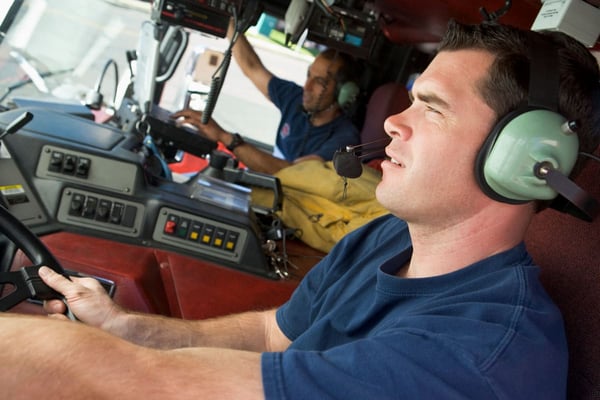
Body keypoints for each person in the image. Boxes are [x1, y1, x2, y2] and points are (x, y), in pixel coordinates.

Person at [1, 20, 599, 399]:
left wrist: (62, 355)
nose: (391, 121)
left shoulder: (475, 360)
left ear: (524, 161)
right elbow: (272, 333)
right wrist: (124, 327)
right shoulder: (389, 239)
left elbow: (146, 386)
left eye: (433, 109)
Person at [172, 22, 361, 175]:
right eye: (308, 75)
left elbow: (293, 173)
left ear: (342, 93)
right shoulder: (296, 98)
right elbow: (252, 68)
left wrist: (224, 137)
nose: (307, 87)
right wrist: (231, 21)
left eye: (319, 81)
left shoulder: (345, 138)